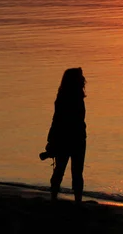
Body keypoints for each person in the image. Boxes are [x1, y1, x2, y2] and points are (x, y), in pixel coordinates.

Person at [42, 67, 87, 203]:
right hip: (74, 138)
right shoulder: (73, 99)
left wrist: (51, 140)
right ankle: (75, 200)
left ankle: (55, 197)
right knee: (74, 171)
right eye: (80, 77)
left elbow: (56, 121)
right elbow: (58, 120)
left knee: (62, 170)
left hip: (68, 138)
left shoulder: (64, 98)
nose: (84, 80)